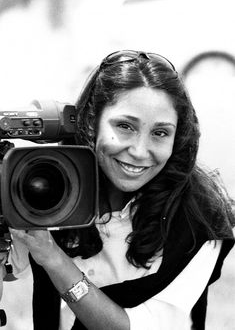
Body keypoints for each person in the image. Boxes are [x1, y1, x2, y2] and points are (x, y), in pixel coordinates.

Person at [9, 50, 235, 330]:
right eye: (125, 126)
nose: (140, 152)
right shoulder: (51, 183)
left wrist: (53, 258)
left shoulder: (200, 218)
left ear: (178, 137)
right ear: (92, 122)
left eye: (160, 133)